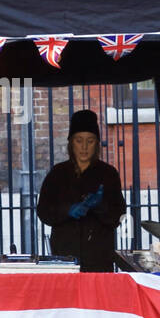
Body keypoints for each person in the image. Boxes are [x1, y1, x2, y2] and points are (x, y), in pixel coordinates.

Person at [36, 109, 125, 272]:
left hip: (99, 259)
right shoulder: (58, 173)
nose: (84, 147)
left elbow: (118, 215)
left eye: (90, 141)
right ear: (71, 143)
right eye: (79, 140)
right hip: (65, 258)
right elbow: (43, 211)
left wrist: (100, 206)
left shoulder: (108, 174)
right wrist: (67, 210)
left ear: (97, 143)